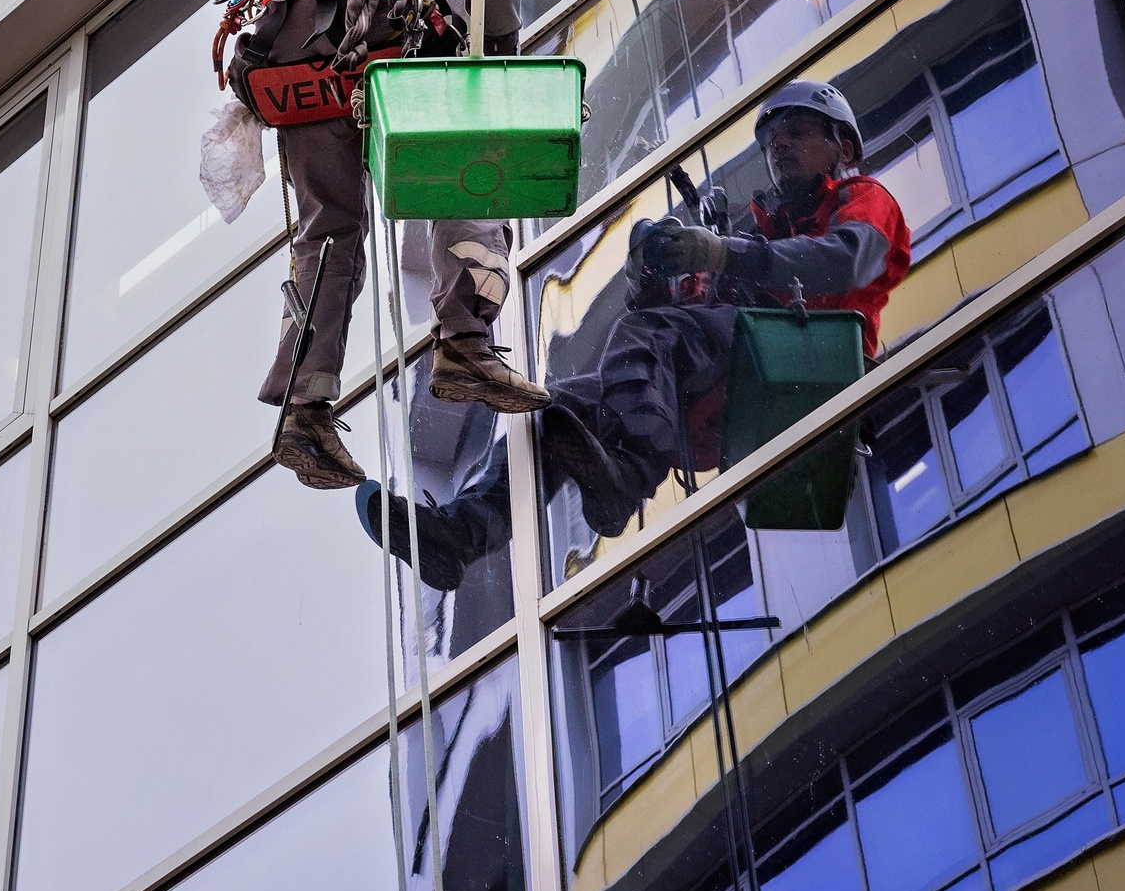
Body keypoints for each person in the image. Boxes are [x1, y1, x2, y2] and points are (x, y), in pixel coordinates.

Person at [358, 79, 911, 586]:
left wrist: (722, 253)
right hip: (742, 375)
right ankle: (462, 533)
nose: (779, 147)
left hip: (809, 354)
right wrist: (649, 277)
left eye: (797, 132)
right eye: (772, 140)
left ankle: (627, 470)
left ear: (845, 146)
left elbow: (842, 261)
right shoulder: (764, 232)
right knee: (555, 411)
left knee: (651, 333)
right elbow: (691, 319)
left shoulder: (865, 202)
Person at [227, 0, 549, 491]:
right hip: (372, 21)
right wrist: (495, 56)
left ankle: (304, 409)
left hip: (291, 46)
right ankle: (467, 340)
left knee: (328, 229)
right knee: (463, 150)